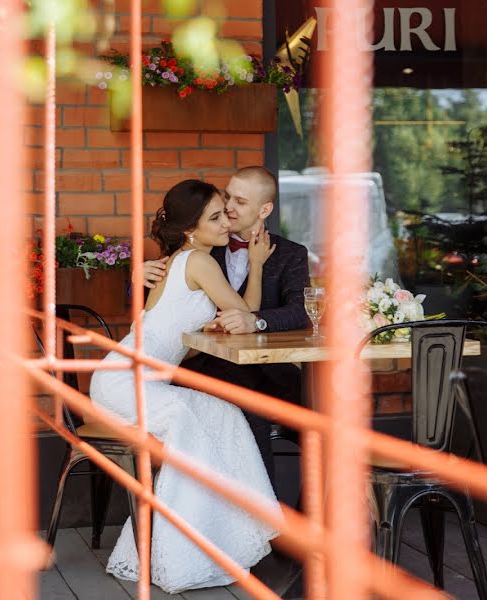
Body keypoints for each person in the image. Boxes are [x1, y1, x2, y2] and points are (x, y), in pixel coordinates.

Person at [90, 179, 280, 594]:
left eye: (225, 213)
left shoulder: (181, 260)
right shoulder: (198, 261)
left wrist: (207, 328)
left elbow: (180, 347)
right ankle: (183, 551)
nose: (226, 222)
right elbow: (244, 312)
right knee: (189, 426)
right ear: (191, 228)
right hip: (127, 381)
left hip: (128, 378)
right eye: (215, 217)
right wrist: (259, 264)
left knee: (224, 414)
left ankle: (222, 534)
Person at [141, 166, 310, 485]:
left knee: (324, 416)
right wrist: (137, 278)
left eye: (240, 201)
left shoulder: (290, 255)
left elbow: (300, 311)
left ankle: (311, 519)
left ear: (265, 209)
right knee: (250, 416)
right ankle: (262, 524)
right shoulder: (205, 241)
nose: (229, 206)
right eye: (228, 196)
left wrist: (256, 320)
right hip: (208, 369)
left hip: (273, 373)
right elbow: (162, 297)